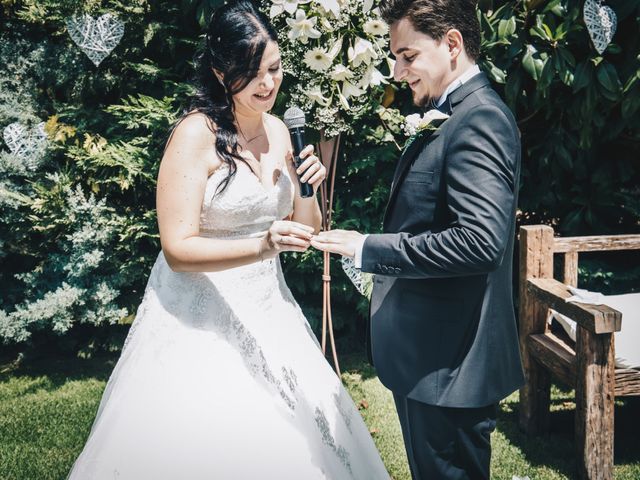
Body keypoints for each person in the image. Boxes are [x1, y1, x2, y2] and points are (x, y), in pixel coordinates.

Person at [67, 1, 388, 478]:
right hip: (196, 317)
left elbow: (309, 230)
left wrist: (308, 188)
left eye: (275, 69)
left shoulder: (282, 131)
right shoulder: (194, 136)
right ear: (220, 72)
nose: (268, 84)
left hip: (270, 309)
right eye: (252, 73)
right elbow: (177, 249)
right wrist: (263, 245)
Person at [311, 0, 525, 478]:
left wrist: (368, 249)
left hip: (451, 370)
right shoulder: (453, 112)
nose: (397, 71)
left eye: (407, 56)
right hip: (432, 361)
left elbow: (479, 242)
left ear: (452, 44)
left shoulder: (480, 119)